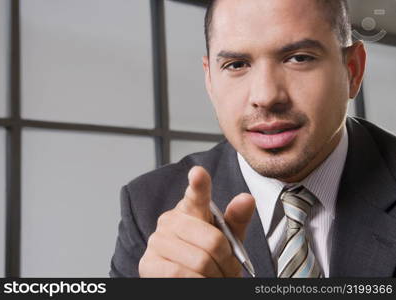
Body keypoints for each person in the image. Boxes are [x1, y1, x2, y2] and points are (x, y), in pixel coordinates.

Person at [110, 0, 396, 278]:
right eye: (236, 64)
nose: (266, 96)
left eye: (298, 58)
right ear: (210, 80)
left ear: (353, 70)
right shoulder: (148, 208)